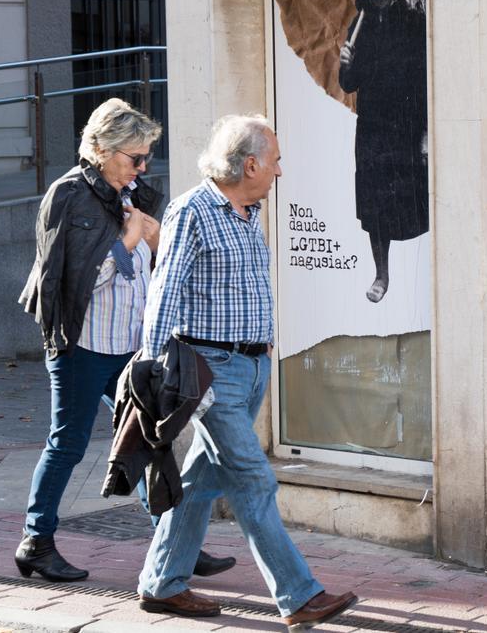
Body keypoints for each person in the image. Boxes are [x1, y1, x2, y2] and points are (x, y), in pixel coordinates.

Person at [136, 115, 357, 627]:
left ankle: (161, 582)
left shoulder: (247, 211)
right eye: (275, 160)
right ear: (250, 163)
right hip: (210, 373)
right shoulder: (192, 211)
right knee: (254, 480)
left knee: (199, 484)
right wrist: (151, 368)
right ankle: (299, 595)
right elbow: (164, 293)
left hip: (252, 367)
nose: (280, 171)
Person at [15, 98, 233, 582]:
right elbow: (66, 280)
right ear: (98, 149)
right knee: (68, 444)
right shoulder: (66, 195)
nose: (140, 167)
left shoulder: (135, 195)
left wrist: (155, 246)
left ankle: (173, 544)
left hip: (129, 346)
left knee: (150, 442)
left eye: (145, 158)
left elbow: (151, 276)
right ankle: (36, 541)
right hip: (83, 346)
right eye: (132, 157)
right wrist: (131, 238)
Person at [338, 0, 428, 303]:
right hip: (374, 130)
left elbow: (424, 79)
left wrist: (423, 133)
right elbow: (349, 84)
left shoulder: (413, 22)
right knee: (375, 203)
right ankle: (382, 273)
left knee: (417, 195)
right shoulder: (360, 25)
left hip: (406, 125)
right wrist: (346, 64)